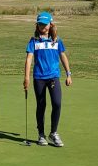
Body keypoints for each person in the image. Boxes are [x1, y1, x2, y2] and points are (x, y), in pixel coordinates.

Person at [23, 12, 72, 146]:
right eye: (40, 24)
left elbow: (63, 56)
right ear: (37, 25)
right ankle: (41, 134)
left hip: (53, 77)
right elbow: (28, 60)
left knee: (57, 103)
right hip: (39, 77)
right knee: (41, 105)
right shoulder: (34, 41)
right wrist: (26, 77)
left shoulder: (57, 41)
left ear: (51, 24)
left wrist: (68, 74)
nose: (43, 27)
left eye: (45, 24)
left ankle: (53, 133)